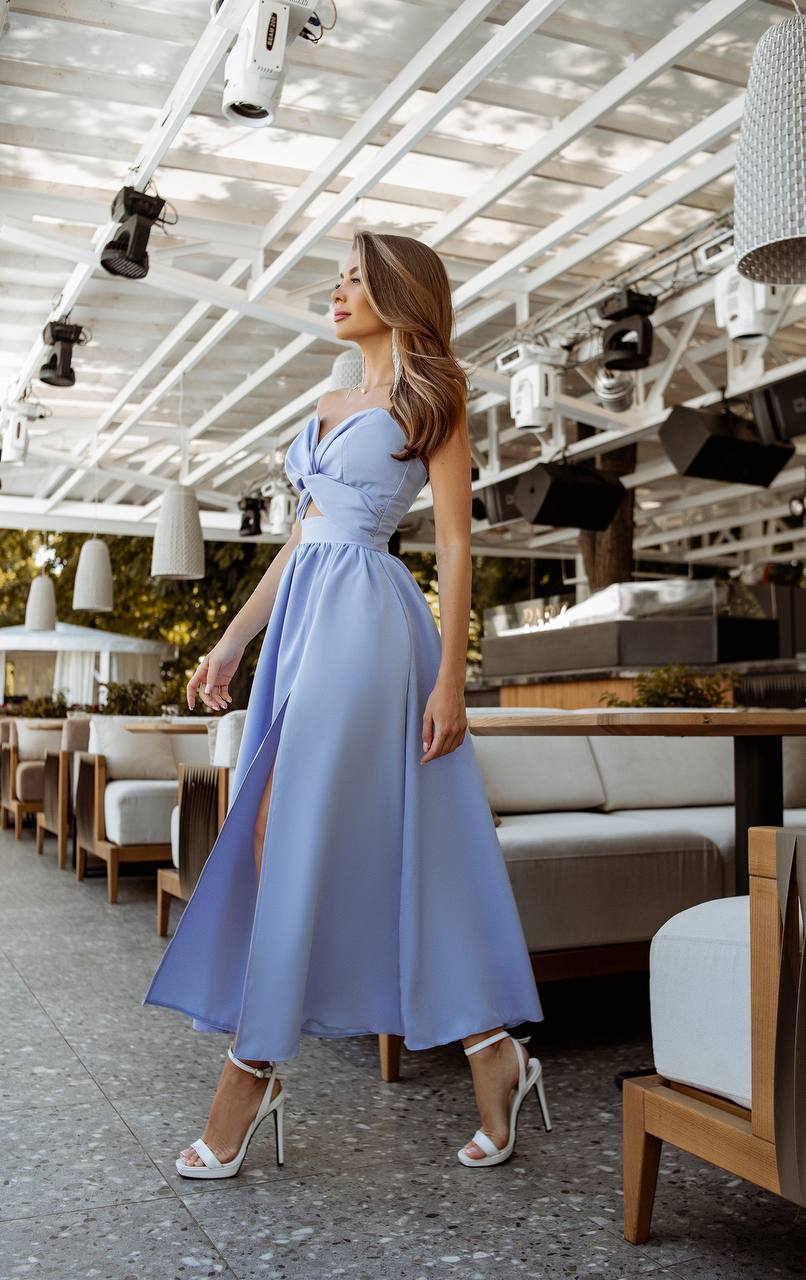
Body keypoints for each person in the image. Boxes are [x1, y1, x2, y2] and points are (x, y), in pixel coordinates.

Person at [141, 230, 550, 1179]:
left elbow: (454, 544)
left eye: (357, 281)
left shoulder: (431, 400)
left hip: (369, 626)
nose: (337, 292)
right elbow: (298, 543)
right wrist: (234, 641)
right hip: (300, 630)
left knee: (288, 833)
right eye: (338, 278)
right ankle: (496, 1055)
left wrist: (453, 676)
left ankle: (250, 1072)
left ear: (399, 295)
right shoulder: (329, 402)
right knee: (325, 841)